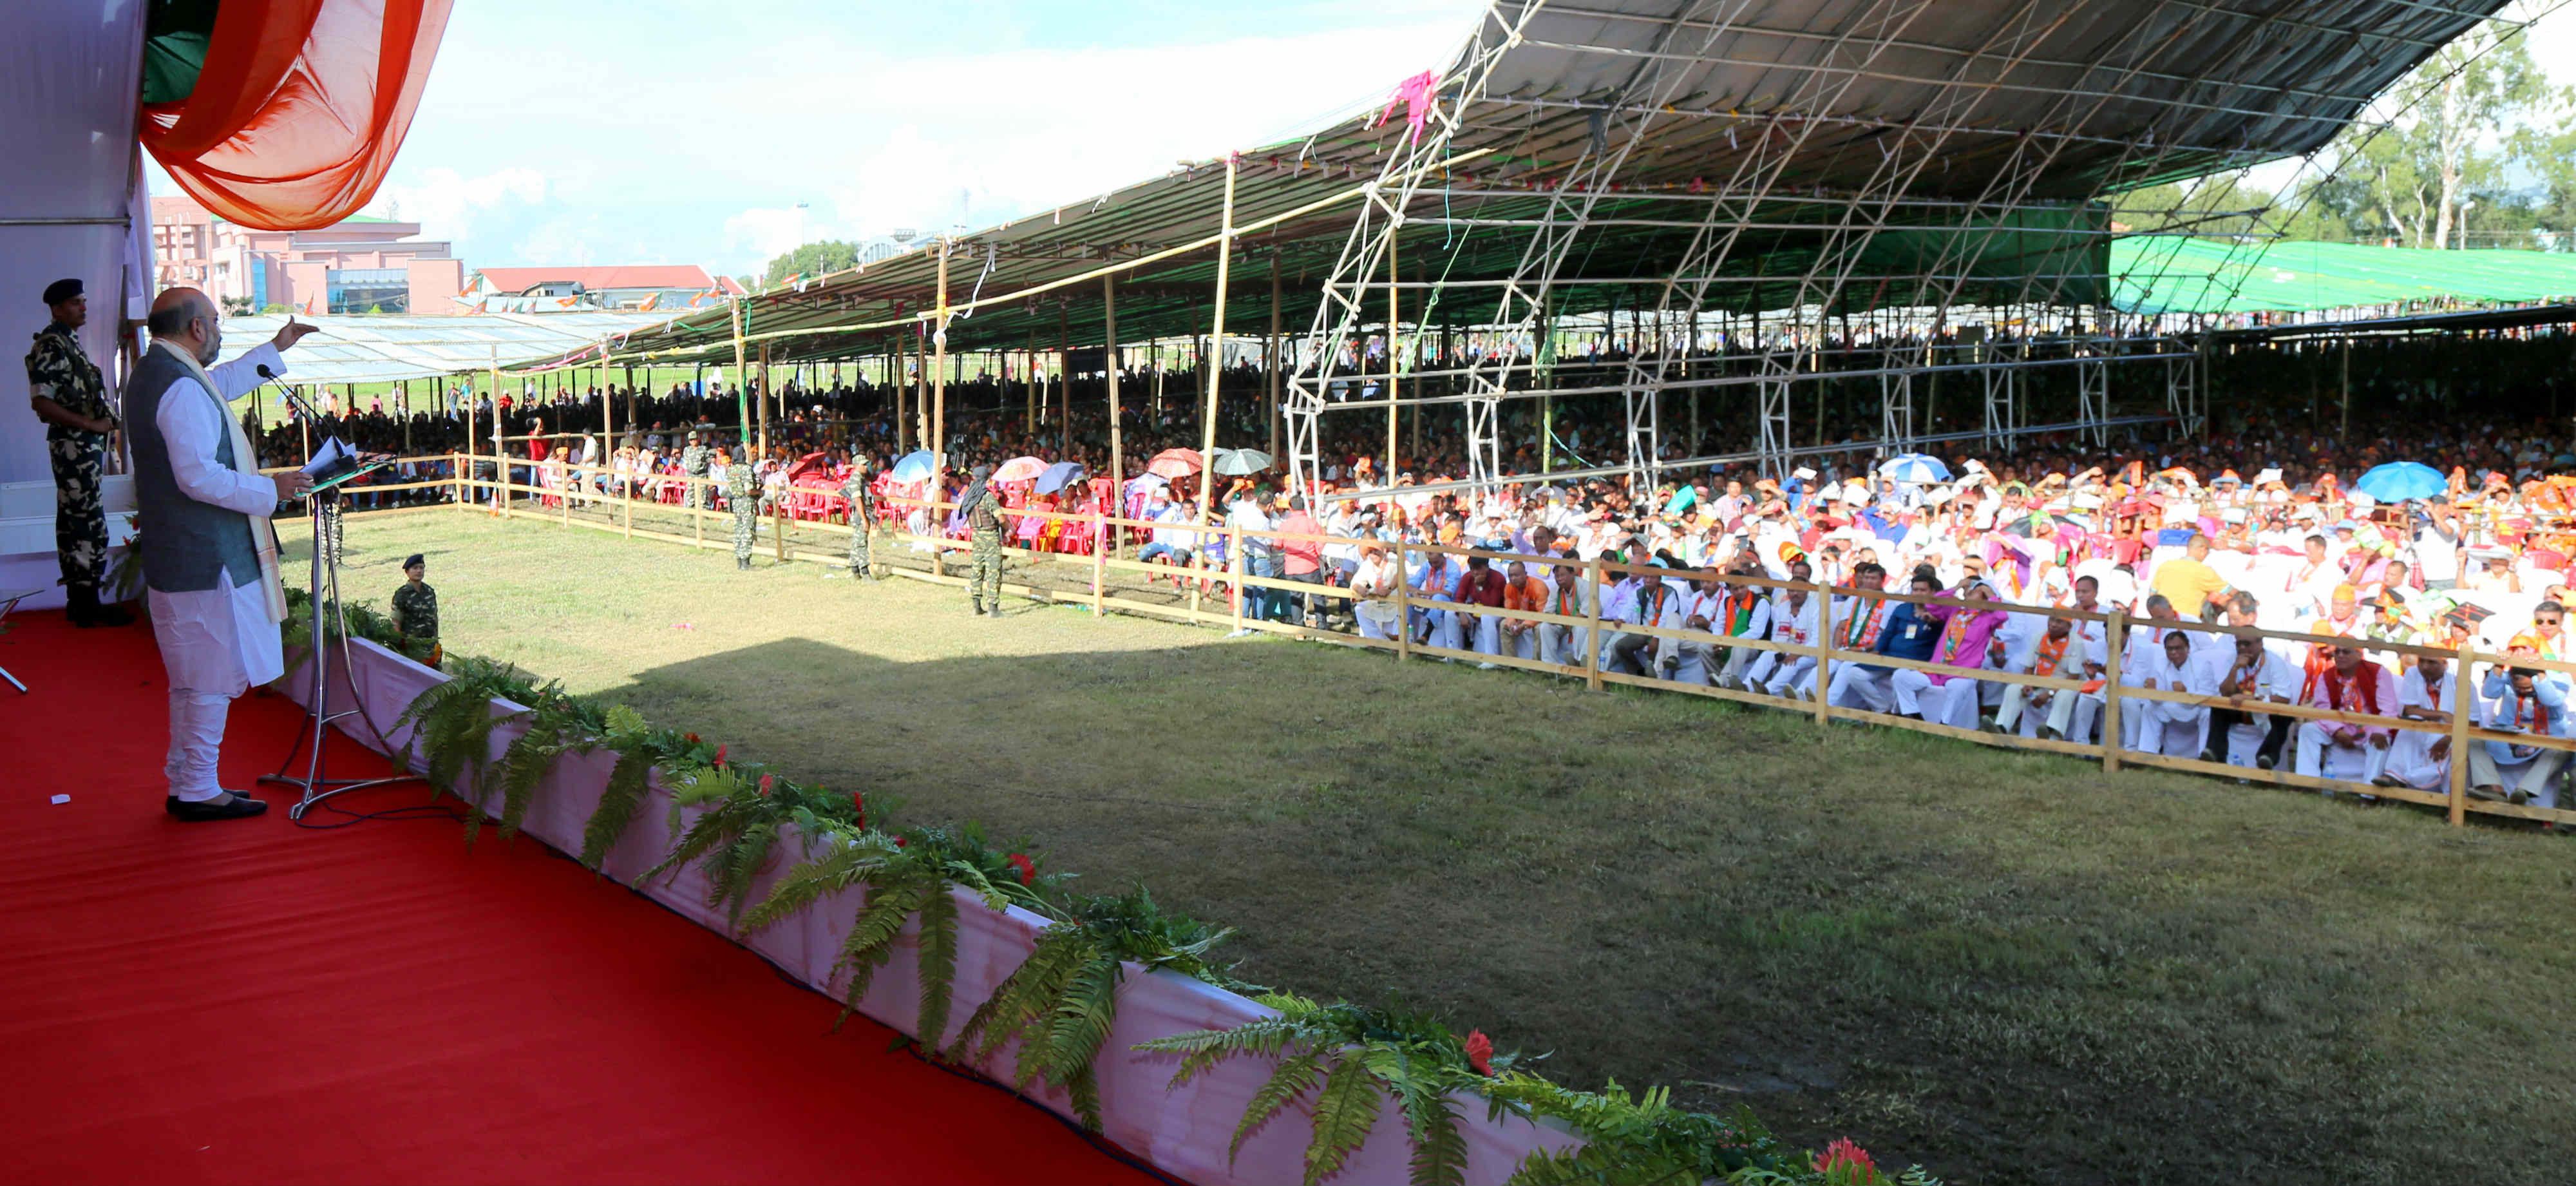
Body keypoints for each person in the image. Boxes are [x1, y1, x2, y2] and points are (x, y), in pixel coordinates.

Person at [127, 287, 317, 821]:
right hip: (204, 557)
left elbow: (220, 385)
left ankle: (189, 782)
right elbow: (198, 476)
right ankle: (199, 788)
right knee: (208, 678)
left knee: (193, 679)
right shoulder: (180, 385)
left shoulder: (157, 370)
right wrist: (270, 489)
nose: (218, 329)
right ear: (195, 330)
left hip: (181, 554)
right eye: (214, 320)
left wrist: (277, 346)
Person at [24, 278, 129, 626]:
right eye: (74, 303)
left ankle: (84, 602)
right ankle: (85, 604)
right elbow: (42, 403)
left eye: (83, 301)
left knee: (83, 521)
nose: (83, 307)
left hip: (83, 448)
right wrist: (90, 426)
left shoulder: (69, 344)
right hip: (74, 447)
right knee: (84, 523)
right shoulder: (51, 346)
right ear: (56, 309)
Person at [961, 464, 1007, 615]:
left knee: (977, 569)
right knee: (993, 570)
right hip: (990, 536)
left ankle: (976, 605)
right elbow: (1000, 517)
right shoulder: (987, 496)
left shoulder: (969, 496)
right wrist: (1008, 528)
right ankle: (993, 607)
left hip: (976, 535)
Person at [390, 552, 440, 663]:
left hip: (431, 646)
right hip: (413, 648)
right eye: (415, 568)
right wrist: (402, 647)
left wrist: (436, 642)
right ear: (407, 572)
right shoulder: (402, 594)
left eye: (421, 568)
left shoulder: (429, 591)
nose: (419, 571)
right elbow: (396, 623)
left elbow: (434, 618)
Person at [840, 454, 877, 579]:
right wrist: (864, 519)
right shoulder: (856, 479)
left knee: (857, 542)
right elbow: (857, 501)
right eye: (863, 465)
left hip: (863, 512)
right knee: (861, 543)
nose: (866, 467)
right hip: (860, 513)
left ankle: (855, 569)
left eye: (867, 464)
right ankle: (865, 572)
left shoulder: (861, 478)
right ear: (856, 466)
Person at [727, 445, 758, 570]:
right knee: (747, 531)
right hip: (746, 502)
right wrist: (759, 492)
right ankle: (746, 562)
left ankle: (739, 560)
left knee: (738, 531)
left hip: (736, 502)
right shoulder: (746, 469)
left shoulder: (731, 470)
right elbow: (749, 490)